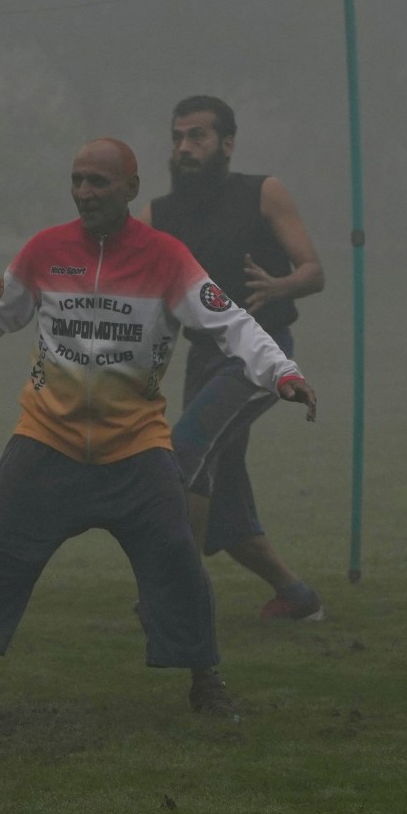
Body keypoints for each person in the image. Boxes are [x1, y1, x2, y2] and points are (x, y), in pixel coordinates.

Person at [0, 139, 313, 729]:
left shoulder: (167, 258)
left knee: (176, 563)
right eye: (78, 181)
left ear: (131, 189)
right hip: (47, 442)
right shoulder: (46, 250)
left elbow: (231, 323)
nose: (86, 193)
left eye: (100, 182)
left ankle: (207, 681)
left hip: (136, 449)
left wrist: (283, 374)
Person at [142, 94, 328, 622]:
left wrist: (282, 285)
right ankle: (297, 598)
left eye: (197, 136)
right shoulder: (160, 214)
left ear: (226, 143)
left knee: (186, 449)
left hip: (261, 356)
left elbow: (314, 271)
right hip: (204, 362)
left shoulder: (262, 192)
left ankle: (177, 597)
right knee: (221, 491)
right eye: (178, 138)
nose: (184, 148)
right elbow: (120, 269)